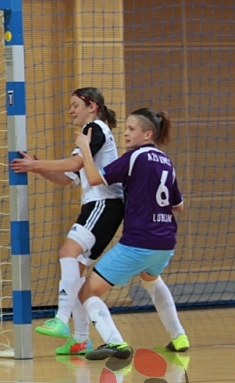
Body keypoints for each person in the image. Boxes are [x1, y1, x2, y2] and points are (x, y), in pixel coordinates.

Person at [11, 87, 124, 356]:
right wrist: (39, 168)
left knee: (67, 253)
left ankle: (61, 319)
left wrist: (36, 166)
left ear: (92, 107)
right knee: (75, 276)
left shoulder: (94, 128)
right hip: (100, 206)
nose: (70, 110)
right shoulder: (88, 136)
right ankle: (81, 339)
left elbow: (74, 164)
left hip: (104, 204)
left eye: (75, 105)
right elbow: (67, 178)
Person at [74, 108, 189, 360]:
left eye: (131, 129)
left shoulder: (135, 157)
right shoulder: (166, 160)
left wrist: (84, 147)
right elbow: (178, 205)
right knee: (150, 279)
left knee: (87, 293)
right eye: (125, 128)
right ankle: (179, 336)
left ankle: (115, 343)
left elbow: (93, 178)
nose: (125, 133)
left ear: (148, 134)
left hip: (139, 242)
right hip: (165, 242)